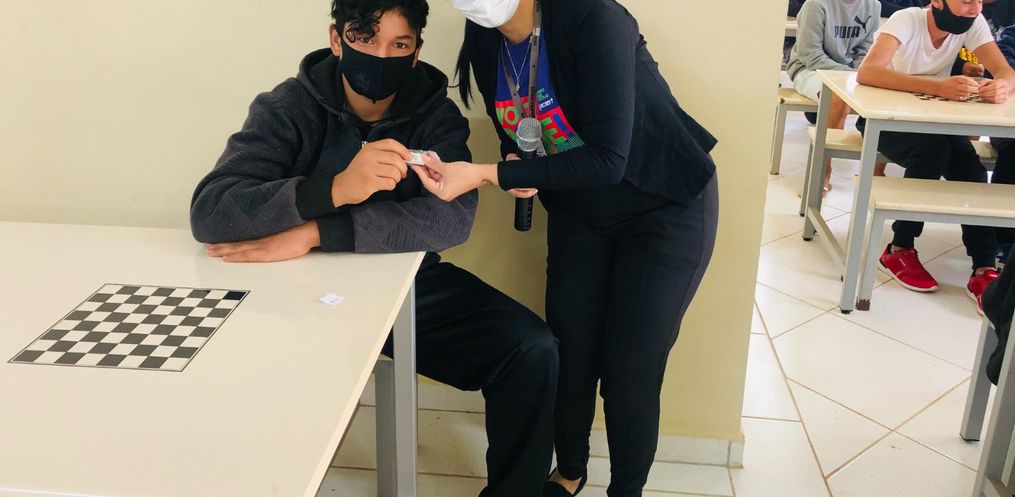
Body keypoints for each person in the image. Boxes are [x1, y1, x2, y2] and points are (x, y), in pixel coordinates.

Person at [188, 1, 558, 495]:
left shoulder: (437, 117)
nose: (381, 57)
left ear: (416, 51)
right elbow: (211, 210)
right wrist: (334, 189)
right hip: (290, 292)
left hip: (400, 285)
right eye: (365, 40)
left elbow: (451, 219)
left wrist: (318, 232)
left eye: (398, 45)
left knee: (531, 349)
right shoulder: (287, 106)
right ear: (337, 40)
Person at [413, 0, 719, 495]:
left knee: (630, 370)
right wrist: (515, 160)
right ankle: (570, 472)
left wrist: (490, 174)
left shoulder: (593, 17)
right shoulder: (485, 38)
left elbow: (609, 160)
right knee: (569, 352)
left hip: (663, 204)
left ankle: (626, 492)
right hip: (581, 212)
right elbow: (513, 127)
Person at [856, 0, 1015, 312]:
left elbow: (1005, 71)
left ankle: (984, 265)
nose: (975, 9)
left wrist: (1002, 87)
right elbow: (868, 72)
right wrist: (937, 86)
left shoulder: (974, 22)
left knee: (971, 167)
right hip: (884, 118)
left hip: (932, 120)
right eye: (966, 2)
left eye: (978, 1)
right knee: (932, 152)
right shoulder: (906, 19)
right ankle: (899, 247)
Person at [786, 0, 881, 192]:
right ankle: (823, 168)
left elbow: (865, 52)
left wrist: (858, 74)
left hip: (848, 72)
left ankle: (876, 172)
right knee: (838, 95)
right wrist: (849, 76)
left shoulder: (873, 5)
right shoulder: (816, 4)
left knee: (882, 95)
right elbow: (810, 55)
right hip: (809, 69)